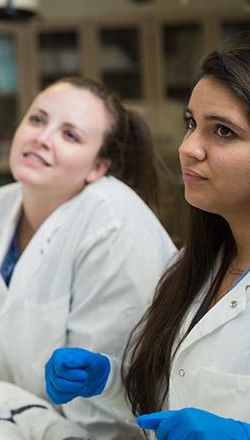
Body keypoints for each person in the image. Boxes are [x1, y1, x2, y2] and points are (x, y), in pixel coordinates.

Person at [0, 76, 177, 439]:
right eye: (37, 119)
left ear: (98, 166)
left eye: (70, 135)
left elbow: (107, 411)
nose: (42, 138)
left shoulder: (114, 224)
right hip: (23, 426)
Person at [44, 47, 250, 439]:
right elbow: (173, 398)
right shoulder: (192, 268)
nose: (188, 147)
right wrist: (106, 379)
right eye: (192, 123)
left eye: (223, 131)